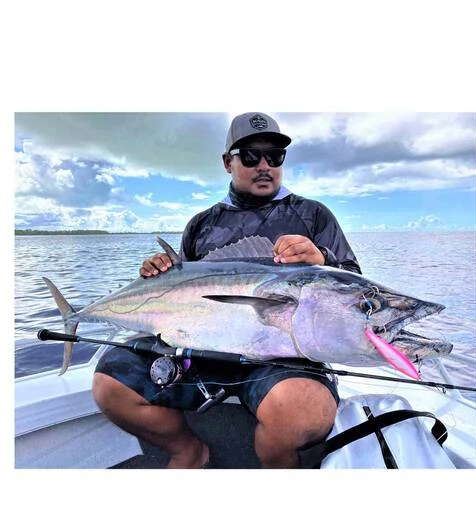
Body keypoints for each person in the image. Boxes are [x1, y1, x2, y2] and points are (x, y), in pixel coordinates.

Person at [92, 112, 361, 468]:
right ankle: (187, 450)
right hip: (202, 352)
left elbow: (357, 290)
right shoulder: (202, 224)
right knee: (110, 384)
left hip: (285, 356)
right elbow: (182, 288)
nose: (264, 165)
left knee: (301, 413)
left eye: (275, 156)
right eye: (250, 156)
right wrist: (157, 274)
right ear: (227, 162)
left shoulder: (313, 215)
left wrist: (323, 258)